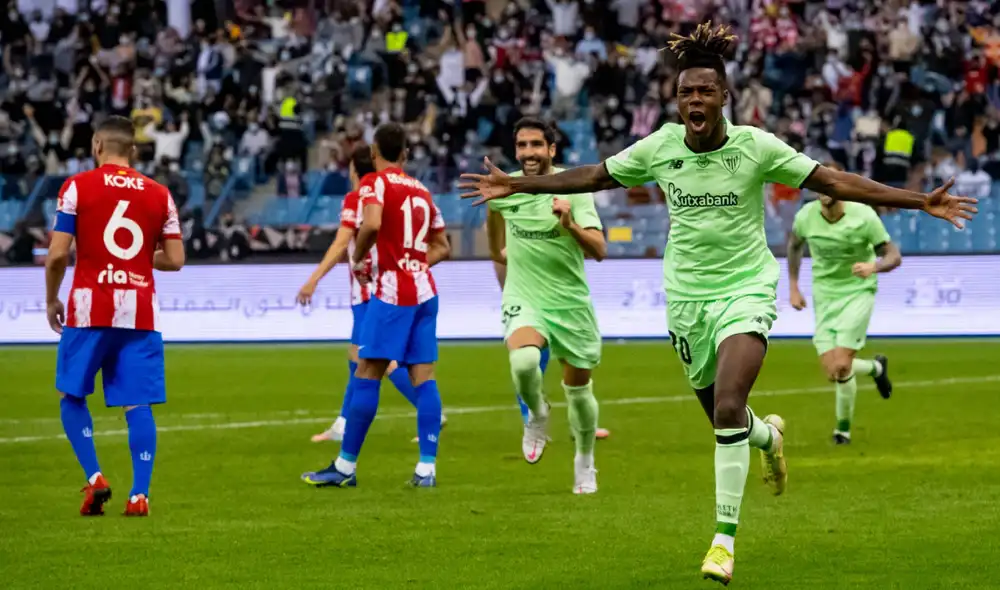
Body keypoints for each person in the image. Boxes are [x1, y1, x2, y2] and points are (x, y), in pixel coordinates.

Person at [459, 22, 976, 586]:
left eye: (705, 90)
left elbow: (835, 179)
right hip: (685, 298)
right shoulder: (660, 146)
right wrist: (521, 186)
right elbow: (593, 176)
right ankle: (769, 438)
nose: (695, 100)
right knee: (725, 421)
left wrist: (918, 200)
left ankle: (723, 541)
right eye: (686, 93)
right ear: (676, 100)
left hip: (746, 291)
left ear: (725, 95)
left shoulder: (755, 146)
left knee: (729, 405)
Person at [46, 115, 186, 518]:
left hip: (90, 307)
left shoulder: (77, 187)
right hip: (139, 310)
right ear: (134, 151)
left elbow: (57, 254)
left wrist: (52, 299)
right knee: (138, 403)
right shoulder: (160, 194)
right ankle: (140, 495)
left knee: (71, 394)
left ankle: (95, 479)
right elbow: (175, 259)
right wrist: (141, 260)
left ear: (95, 146)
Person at [302, 123, 450, 488]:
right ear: (405, 153)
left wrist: (360, 258)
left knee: (366, 371)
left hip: (393, 292)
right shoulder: (423, 191)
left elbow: (371, 224)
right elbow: (443, 246)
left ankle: (345, 468)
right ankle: (426, 470)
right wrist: (415, 263)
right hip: (426, 291)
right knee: (423, 377)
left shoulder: (374, 183)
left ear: (374, 151)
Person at [486, 117, 609, 493]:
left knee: (579, 392)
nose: (528, 153)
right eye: (522, 145)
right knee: (523, 362)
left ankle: (585, 461)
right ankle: (537, 414)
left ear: (551, 150)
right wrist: (502, 256)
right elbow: (495, 242)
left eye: (536, 145)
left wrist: (569, 224)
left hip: (569, 303)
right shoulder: (505, 187)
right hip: (526, 298)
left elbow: (600, 250)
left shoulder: (572, 187)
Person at [787, 163, 900, 445]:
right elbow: (794, 246)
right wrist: (793, 286)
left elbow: (893, 255)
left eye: (831, 182)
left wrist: (874, 267)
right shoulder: (805, 217)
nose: (825, 189)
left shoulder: (863, 215)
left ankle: (843, 431)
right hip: (824, 294)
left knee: (841, 365)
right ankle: (876, 369)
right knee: (833, 371)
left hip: (857, 292)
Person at [494, 249, 611, 441]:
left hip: (559, 287)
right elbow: (497, 248)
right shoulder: (511, 222)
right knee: (529, 359)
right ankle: (532, 422)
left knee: (573, 357)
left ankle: (580, 425)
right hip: (526, 289)